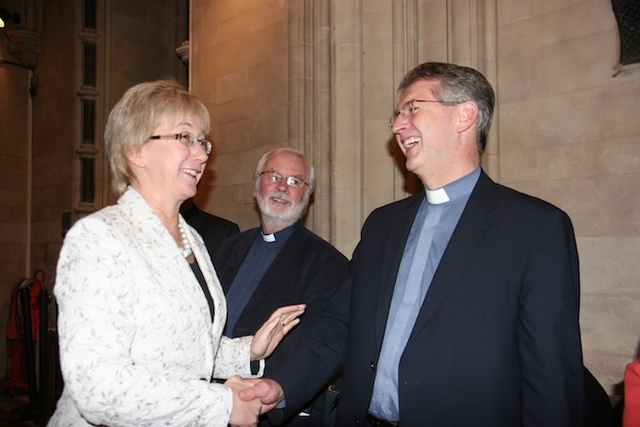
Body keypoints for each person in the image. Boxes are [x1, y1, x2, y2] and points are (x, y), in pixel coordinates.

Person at [241, 62, 585, 426]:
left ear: (465, 115)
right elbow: (340, 323)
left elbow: (550, 376)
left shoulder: (534, 228)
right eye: (396, 113)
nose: (397, 125)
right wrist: (282, 385)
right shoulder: (383, 225)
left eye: (412, 108)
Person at [48, 80, 305, 427]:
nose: (201, 155)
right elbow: (99, 389)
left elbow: (184, 353)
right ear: (135, 150)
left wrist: (248, 351)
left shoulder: (192, 239)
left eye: (202, 142)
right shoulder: (100, 238)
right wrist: (222, 404)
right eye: (185, 138)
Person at [213, 147, 349, 426]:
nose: (282, 188)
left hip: (266, 408)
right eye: (273, 176)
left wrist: (270, 387)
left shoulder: (328, 262)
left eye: (294, 181)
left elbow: (316, 342)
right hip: (210, 400)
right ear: (255, 187)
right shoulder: (229, 248)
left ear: (307, 197)